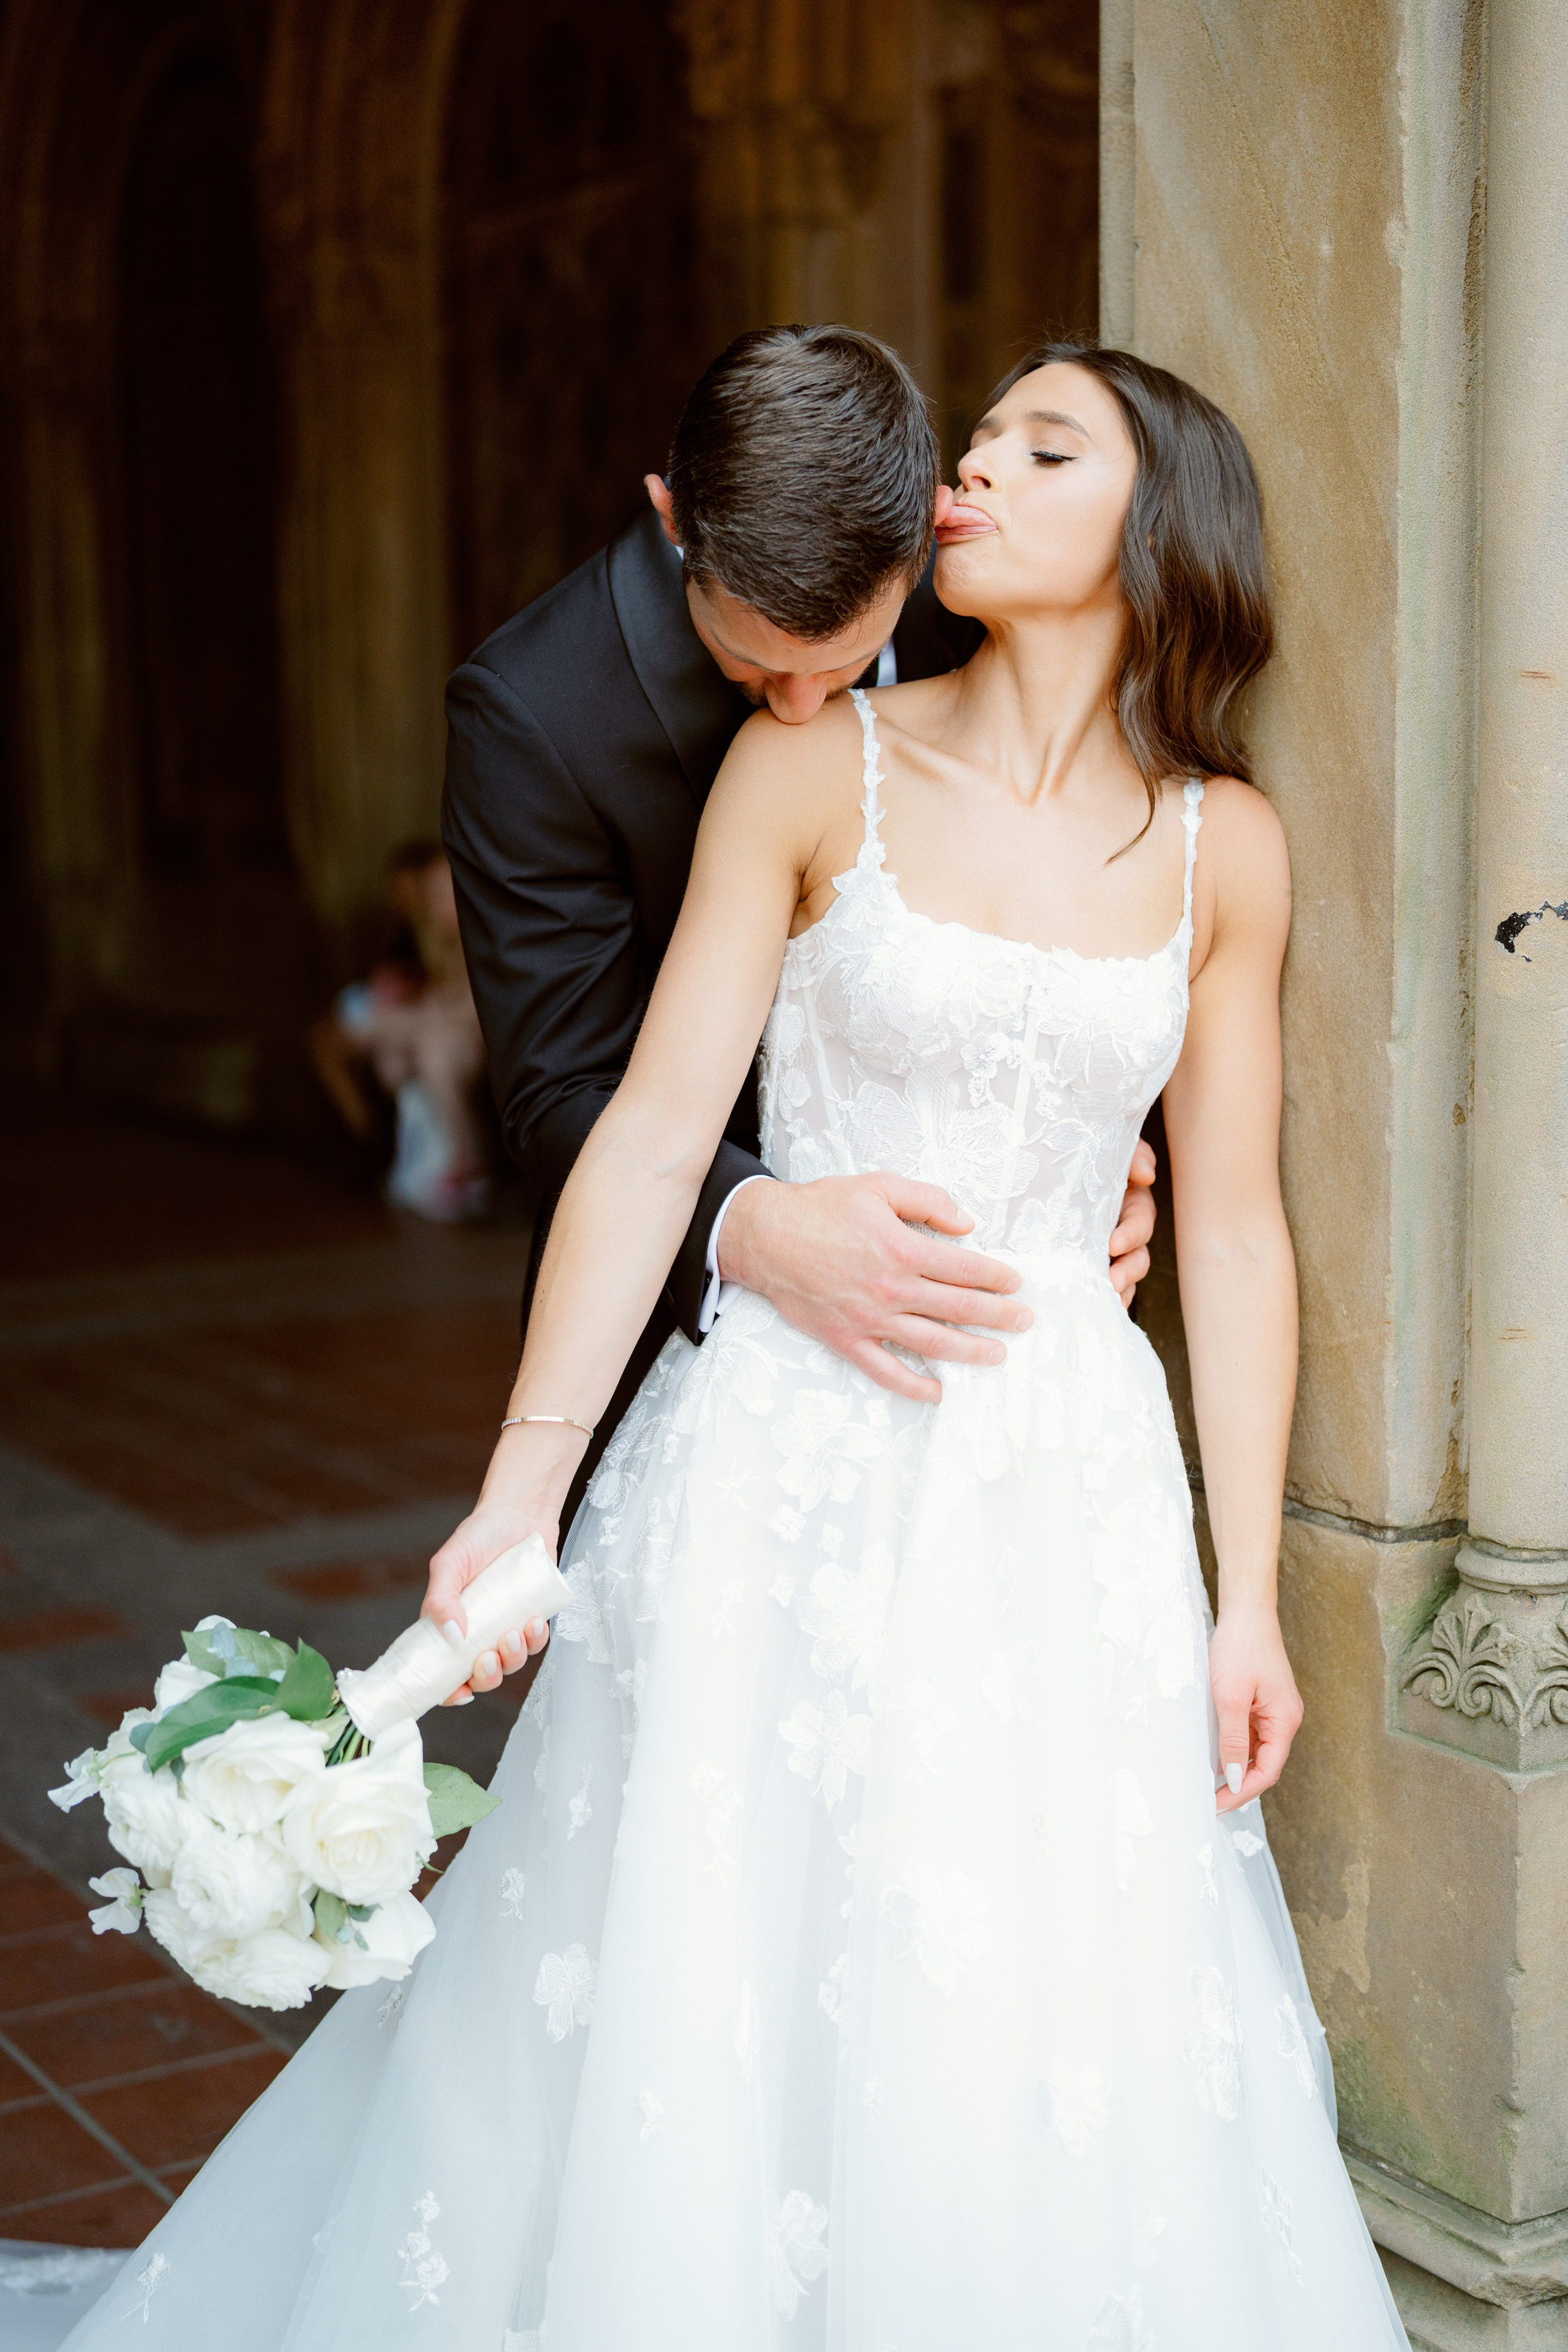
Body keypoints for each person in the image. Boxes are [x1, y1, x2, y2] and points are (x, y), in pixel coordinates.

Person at [56, 342, 1408, 2347]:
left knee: (1037, 1991)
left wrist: (1251, 1604)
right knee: (716, 1962)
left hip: (1072, 1496)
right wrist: (516, 1502)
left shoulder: (1232, 850)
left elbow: (1231, 1222)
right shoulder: (809, 767)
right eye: (987, 435)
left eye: (1046, 445)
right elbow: (636, 1139)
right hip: (779, 1457)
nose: (976, 465)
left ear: (1166, 529)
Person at [442, 325, 1156, 1567]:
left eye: (837, 666)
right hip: (693, 1327)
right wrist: (759, 1227)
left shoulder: (979, 612)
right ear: (673, 518)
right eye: (751, 663)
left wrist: (1097, 1156)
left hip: (992, 1357)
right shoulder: (534, 712)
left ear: (928, 529)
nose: (799, 712)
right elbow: (562, 1086)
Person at [309, 841, 491, 1223]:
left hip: (467, 1038)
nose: (438, 904)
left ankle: (463, 1162)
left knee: (429, 1053)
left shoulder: (486, 943)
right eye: (434, 895)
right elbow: (428, 995)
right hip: (437, 1028)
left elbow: (475, 1012)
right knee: (370, 1044)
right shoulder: (427, 942)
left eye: (447, 893)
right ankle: (370, 1142)